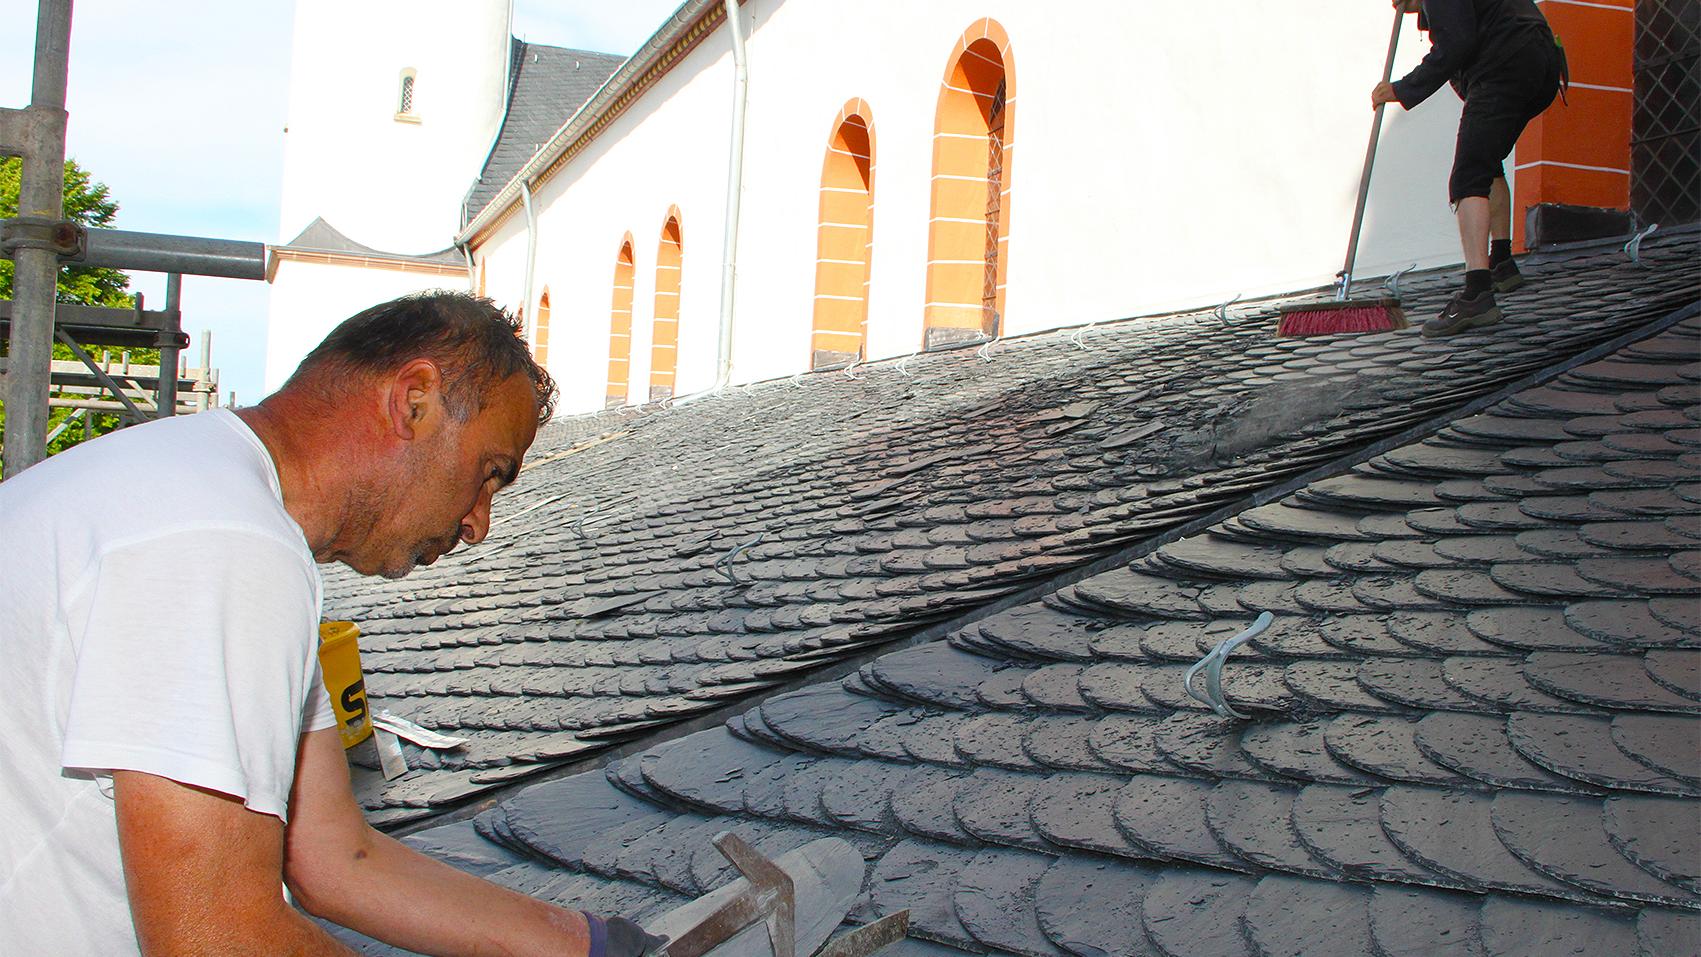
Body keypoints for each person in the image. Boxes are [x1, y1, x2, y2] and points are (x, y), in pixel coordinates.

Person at [0, 291, 665, 955]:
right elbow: (218, 938)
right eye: (489, 473)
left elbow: (333, 856)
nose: (478, 523)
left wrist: (587, 944)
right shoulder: (223, 540)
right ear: (414, 400)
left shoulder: (200, 488)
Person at [1371, 0, 1564, 338]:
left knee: (1467, 179)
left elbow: (1456, 44)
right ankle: (1501, 262)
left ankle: (1477, 293)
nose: (1396, 4)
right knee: (1487, 163)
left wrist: (1403, 88)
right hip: (1541, 63)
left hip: (1504, 64)